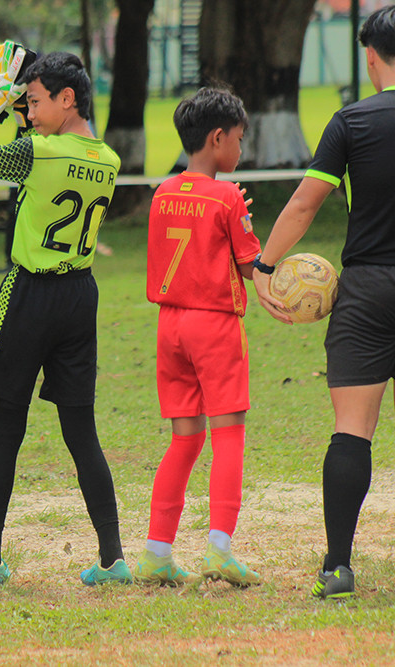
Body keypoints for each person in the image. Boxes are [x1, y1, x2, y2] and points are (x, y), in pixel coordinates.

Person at [0, 43, 130, 586]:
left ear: (67, 98)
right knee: (81, 430)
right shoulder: (108, 159)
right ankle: (113, 557)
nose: (28, 113)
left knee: (7, 423)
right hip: (80, 296)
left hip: (30, 294)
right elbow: (39, 150)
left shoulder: (38, 151)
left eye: (34, 102)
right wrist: (22, 105)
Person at [252, 5, 395, 600]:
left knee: (352, 430)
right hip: (367, 286)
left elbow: (305, 204)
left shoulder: (352, 120)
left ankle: (338, 567)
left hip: (366, 291)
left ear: (371, 57)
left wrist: (264, 265)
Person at [138, 87, 262, 587]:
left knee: (185, 439)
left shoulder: (162, 192)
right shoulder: (228, 197)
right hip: (214, 325)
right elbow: (250, 264)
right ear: (217, 138)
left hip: (170, 327)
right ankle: (219, 549)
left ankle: (156, 553)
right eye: (238, 138)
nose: (241, 148)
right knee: (228, 434)